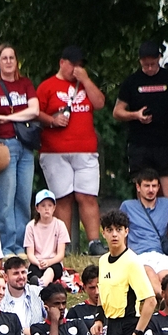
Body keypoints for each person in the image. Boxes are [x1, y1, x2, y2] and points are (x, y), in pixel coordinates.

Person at [36, 45, 107, 255]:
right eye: (72, 64)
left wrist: (85, 80)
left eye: (79, 65)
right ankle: (63, 245)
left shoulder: (85, 85)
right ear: (62, 62)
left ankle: (94, 242)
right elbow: (35, 112)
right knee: (63, 197)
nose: (75, 69)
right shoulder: (47, 86)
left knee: (88, 196)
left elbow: (99, 103)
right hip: (55, 151)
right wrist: (52, 120)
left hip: (85, 150)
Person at [114, 41, 168, 238]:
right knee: (143, 192)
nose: (150, 68)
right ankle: (142, 238)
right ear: (140, 61)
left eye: (153, 64)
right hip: (140, 145)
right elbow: (117, 111)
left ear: (159, 59)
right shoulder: (132, 81)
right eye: (146, 64)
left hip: (166, 143)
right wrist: (135, 115)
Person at [0, 43, 40, 255]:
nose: (8, 61)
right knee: (5, 199)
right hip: (4, 145)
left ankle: (21, 246)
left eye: (11, 58)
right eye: (4, 58)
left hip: (25, 146)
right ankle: (6, 247)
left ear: (17, 61)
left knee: (23, 198)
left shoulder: (25, 83)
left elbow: (34, 110)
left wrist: (8, 117)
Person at [119, 168, 168, 295]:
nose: (151, 190)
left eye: (154, 186)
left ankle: (165, 298)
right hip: (138, 255)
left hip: (161, 255)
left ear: (159, 187)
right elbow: (122, 237)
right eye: (146, 186)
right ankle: (163, 299)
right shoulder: (127, 206)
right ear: (138, 187)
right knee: (150, 274)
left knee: (167, 279)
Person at [24, 189, 69, 287]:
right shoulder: (30, 226)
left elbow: (60, 254)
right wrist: (38, 262)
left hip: (54, 262)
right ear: (37, 208)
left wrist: (49, 262)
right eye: (43, 206)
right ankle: (39, 283)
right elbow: (30, 253)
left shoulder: (60, 225)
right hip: (37, 262)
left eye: (50, 205)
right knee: (34, 271)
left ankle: (42, 284)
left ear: (54, 208)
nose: (46, 209)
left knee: (51, 270)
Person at [0, 255, 46, 335]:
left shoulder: (38, 292)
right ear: (6, 277)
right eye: (16, 273)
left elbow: (56, 316)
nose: (21, 277)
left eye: (23, 272)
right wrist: (22, 331)